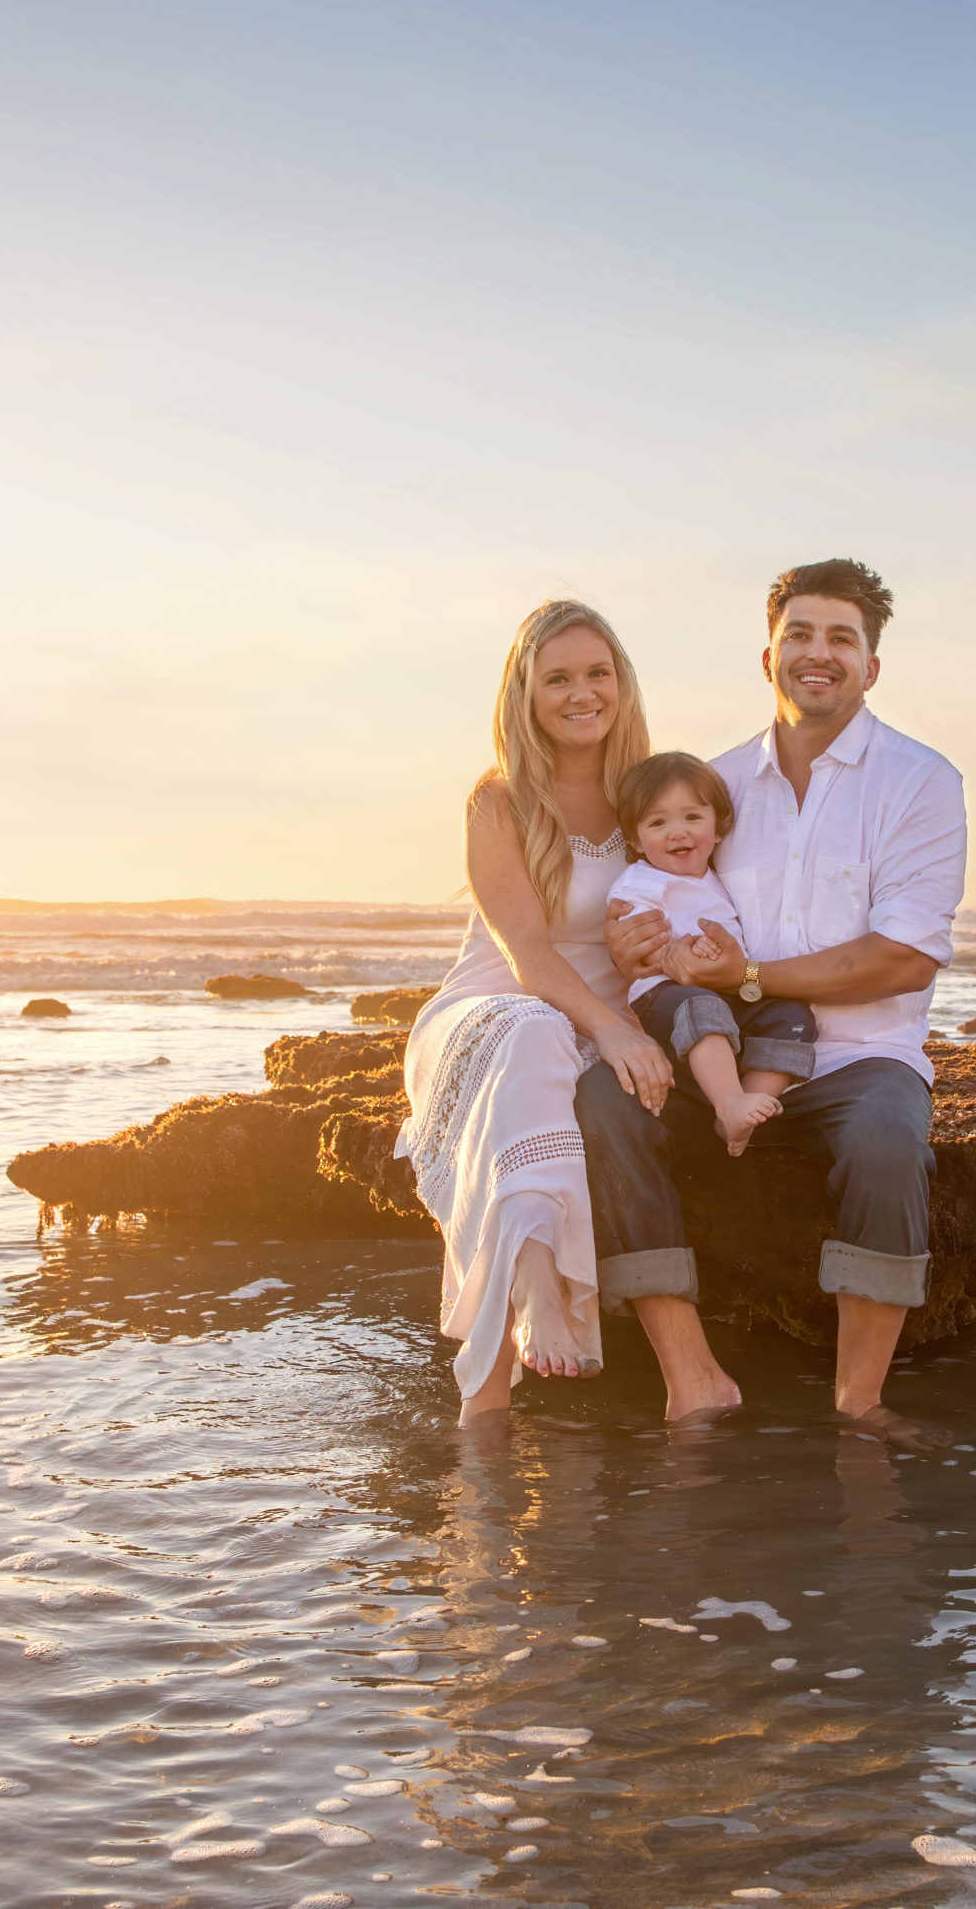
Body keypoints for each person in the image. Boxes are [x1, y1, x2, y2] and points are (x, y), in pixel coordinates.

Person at [581, 559, 967, 1446]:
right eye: (800, 634)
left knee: (886, 1138)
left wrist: (746, 980)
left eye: (842, 638)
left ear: (871, 666)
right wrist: (634, 945)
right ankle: (691, 1376)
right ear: (768, 658)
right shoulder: (707, 790)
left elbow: (905, 958)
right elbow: (656, 901)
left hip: (861, 1055)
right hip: (716, 1052)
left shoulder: (919, 782)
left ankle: (859, 1400)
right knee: (605, 1098)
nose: (818, 653)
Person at [396, 600, 679, 1422]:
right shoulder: (501, 798)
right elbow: (527, 955)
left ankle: (484, 1409)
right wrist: (617, 1028)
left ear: (621, 684)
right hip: (489, 1013)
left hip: (581, 1023)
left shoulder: (648, 795)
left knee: (550, 1040)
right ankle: (535, 1282)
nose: (581, 692)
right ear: (525, 693)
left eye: (598, 673)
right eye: (558, 678)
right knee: (534, 1028)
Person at [606, 751, 819, 1157]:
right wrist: (676, 950)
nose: (677, 833)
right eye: (657, 822)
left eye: (692, 817)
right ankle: (727, 1100)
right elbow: (636, 940)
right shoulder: (642, 883)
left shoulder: (720, 877)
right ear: (634, 839)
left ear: (718, 827)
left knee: (794, 1016)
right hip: (668, 995)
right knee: (701, 1005)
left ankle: (744, 1108)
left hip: (728, 994)